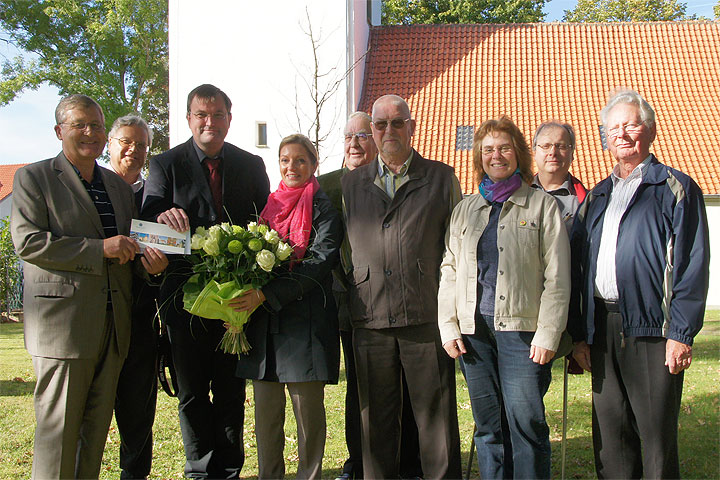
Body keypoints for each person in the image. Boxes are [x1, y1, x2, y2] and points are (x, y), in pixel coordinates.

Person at [10, 94, 167, 479]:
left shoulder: (115, 186)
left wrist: (153, 267)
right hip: (64, 328)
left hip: (114, 329)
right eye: (80, 124)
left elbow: (127, 251)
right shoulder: (34, 177)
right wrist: (99, 250)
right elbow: (29, 243)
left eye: (96, 125)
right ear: (59, 130)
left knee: (93, 437)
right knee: (58, 435)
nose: (90, 133)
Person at [569, 89, 710, 479]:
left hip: (654, 331)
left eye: (631, 124)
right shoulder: (596, 197)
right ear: (605, 136)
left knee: (656, 442)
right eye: (613, 127)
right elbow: (578, 271)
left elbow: (691, 266)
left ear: (648, 130)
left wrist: (681, 333)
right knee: (611, 441)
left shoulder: (675, 189)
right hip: (603, 329)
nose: (622, 133)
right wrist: (580, 335)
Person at [141, 84, 270, 478]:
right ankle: (200, 469)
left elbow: (267, 225)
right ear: (188, 119)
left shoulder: (251, 165)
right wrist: (162, 218)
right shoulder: (166, 165)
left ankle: (229, 468)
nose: (209, 122)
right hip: (185, 301)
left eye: (217, 115)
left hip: (234, 301)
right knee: (193, 391)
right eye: (201, 115)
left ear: (229, 120)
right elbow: (147, 223)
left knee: (232, 391)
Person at [437, 116, 570, 480]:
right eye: (489, 149)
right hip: (473, 334)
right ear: (479, 156)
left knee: (526, 423)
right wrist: (448, 327)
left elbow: (557, 277)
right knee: (488, 426)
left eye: (505, 148)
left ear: (519, 154)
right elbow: (449, 270)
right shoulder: (465, 208)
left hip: (522, 334)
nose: (497, 156)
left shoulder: (542, 206)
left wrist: (548, 334)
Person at [341, 94, 462, 479]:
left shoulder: (441, 178)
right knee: (375, 423)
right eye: (380, 124)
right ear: (371, 130)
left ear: (411, 126)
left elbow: (456, 247)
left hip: (425, 315)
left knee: (436, 421)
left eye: (397, 123)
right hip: (370, 317)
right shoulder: (351, 184)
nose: (388, 130)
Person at [230, 134, 342, 480]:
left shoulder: (326, 211)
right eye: (284, 160)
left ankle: (309, 475)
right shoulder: (266, 207)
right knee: (266, 420)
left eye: (300, 161)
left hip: (305, 327)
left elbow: (317, 264)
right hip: (264, 328)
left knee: (308, 419)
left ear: (314, 165)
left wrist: (266, 295)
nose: (291, 167)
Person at [318, 112, 422, 480]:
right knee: (360, 390)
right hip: (349, 302)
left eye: (363, 135)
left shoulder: (388, 179)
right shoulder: (327, 185)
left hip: (399, 300)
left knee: (407, 384)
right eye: (348, 135)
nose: (354, 142)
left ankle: (410, 462)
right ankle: (358, 462)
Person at [107, 114, 160, 480]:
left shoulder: (154, 197)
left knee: (138, 421)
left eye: (142, 144)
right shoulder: (91, 192)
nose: (134, 150)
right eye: (126, 141)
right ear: (110, 144)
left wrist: (158, 269)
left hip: (141, 323)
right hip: (96, 319)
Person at [531, 121, 587, 233]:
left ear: (572, 154)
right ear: (534, 153)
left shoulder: (587, 203)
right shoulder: (517, 196)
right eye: (546, 146)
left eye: (561, 146)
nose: (553, 152)